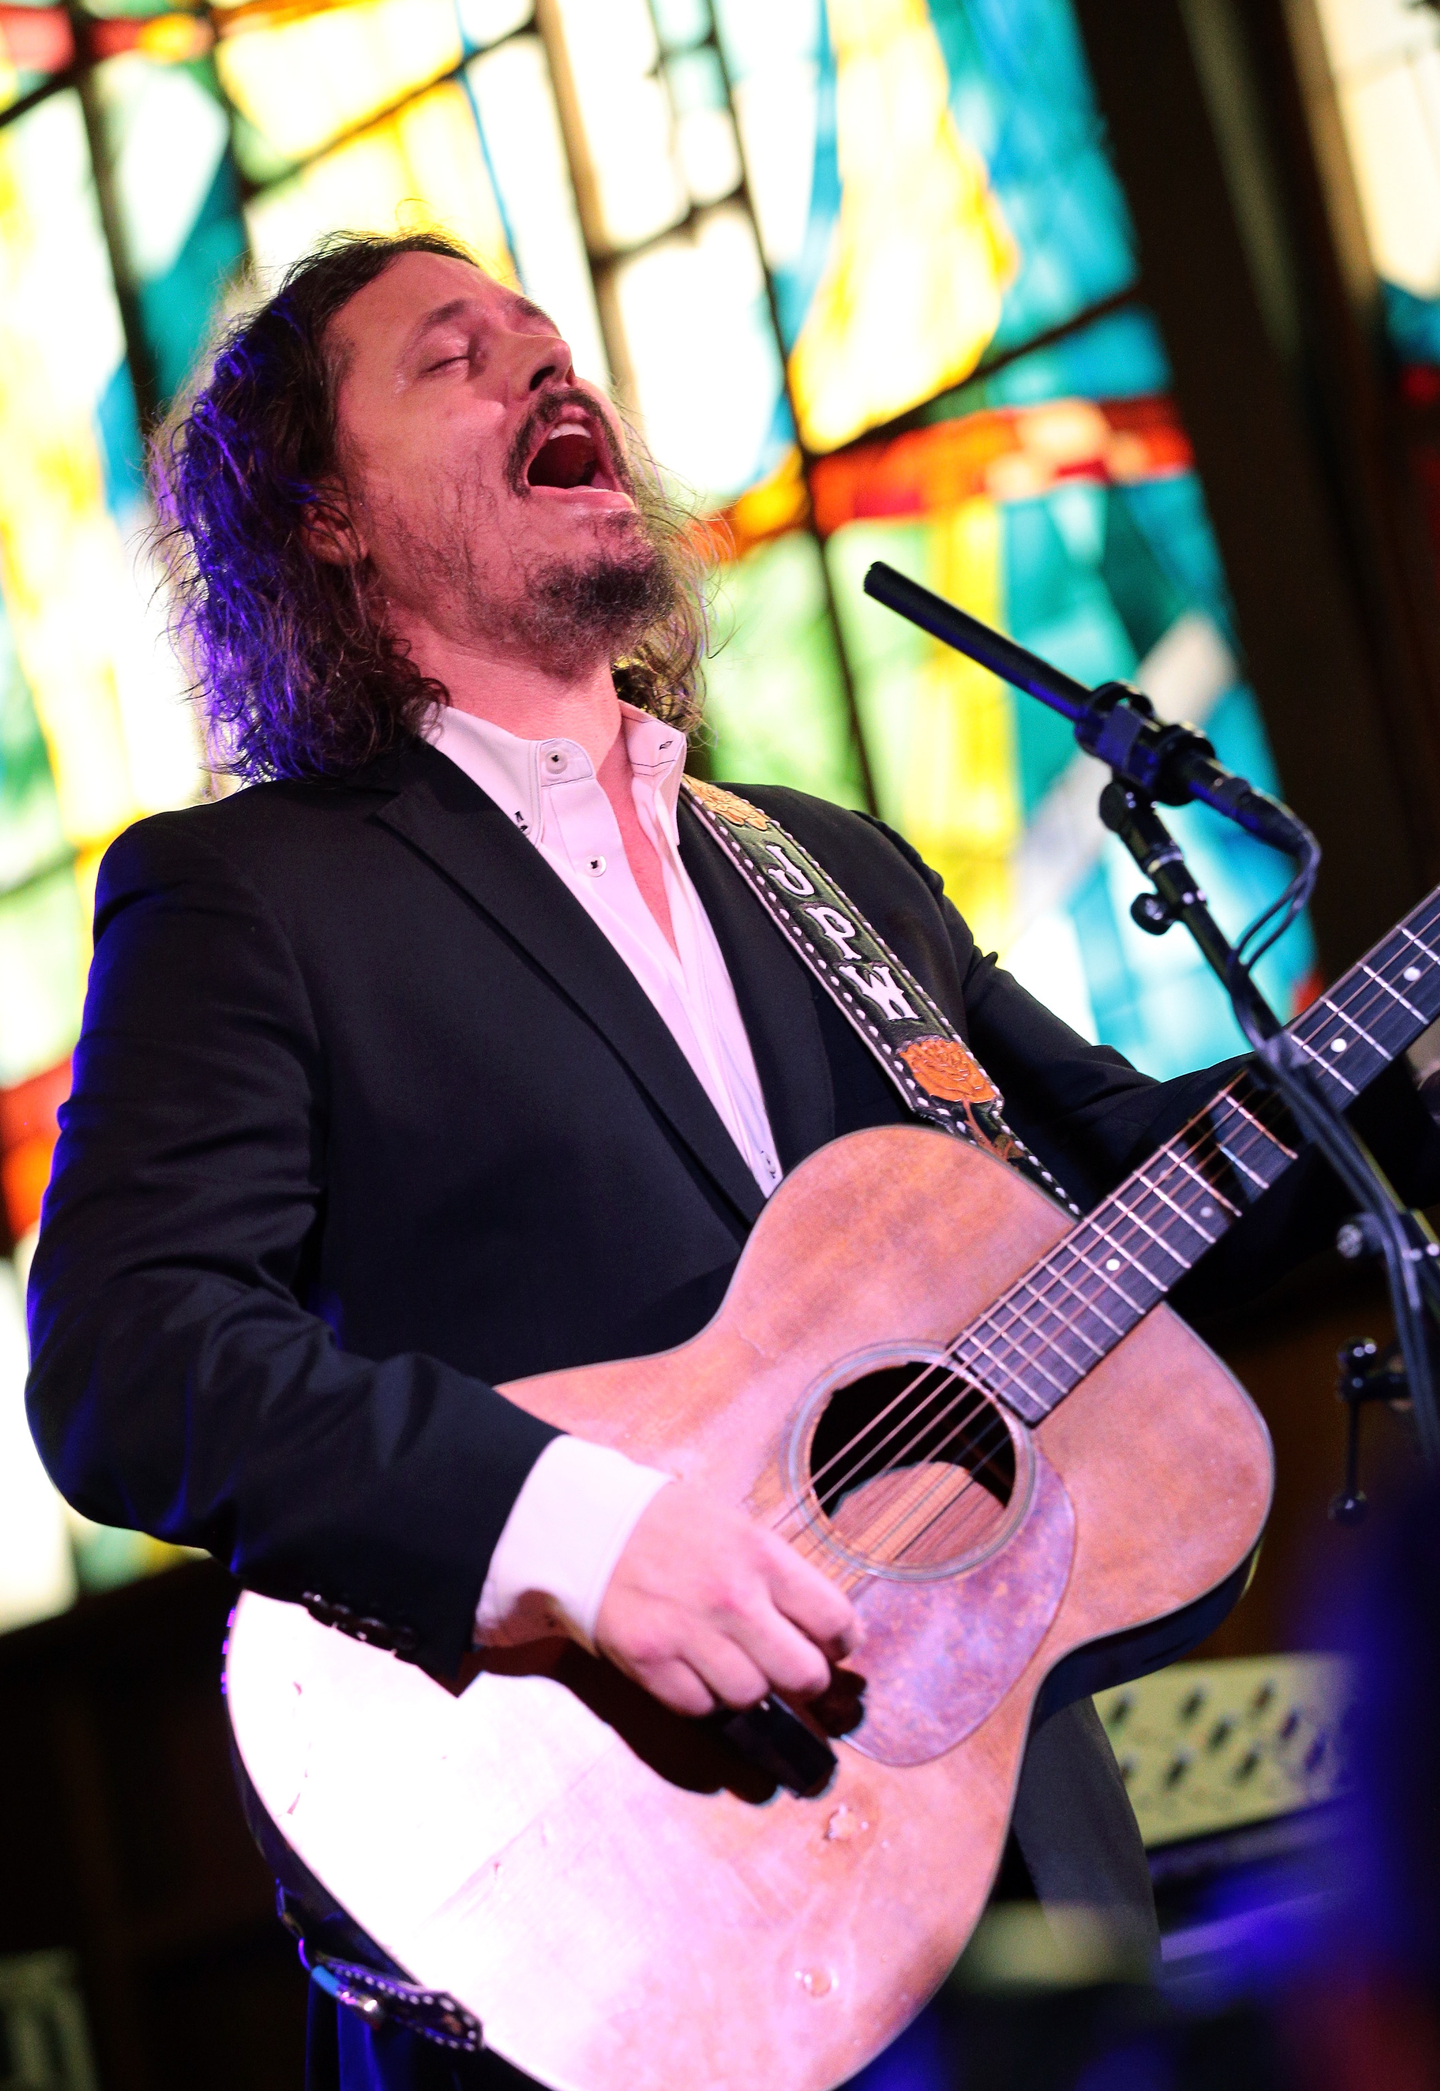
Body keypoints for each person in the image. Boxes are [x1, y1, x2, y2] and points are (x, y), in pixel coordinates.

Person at [22, 231, 1440, 2091]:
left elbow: (1154, 1187)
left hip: (1007, 1883)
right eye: (453, 360)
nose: (545, 368)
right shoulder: (256, 894)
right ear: (325, 525)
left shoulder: (828, 865)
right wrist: (576, 1534)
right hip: (605, 1893)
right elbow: (130, 1355)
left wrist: (1399, 1069)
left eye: (548, 338)